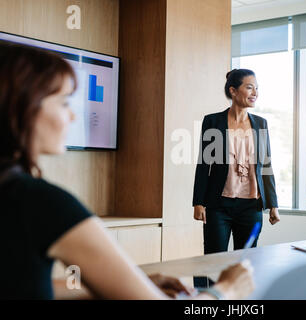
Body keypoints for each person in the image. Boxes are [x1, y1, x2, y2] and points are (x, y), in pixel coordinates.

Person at [0, 41, 254, 300]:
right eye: (64, 102)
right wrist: (224, 291)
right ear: (22, 108)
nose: (74, 117)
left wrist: (127, 284)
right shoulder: (42, 203)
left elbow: (22, 285)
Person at [193, 69, 280, 256]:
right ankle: (206, 287)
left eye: (257, 88)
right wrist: (198, 202)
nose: (255, 93)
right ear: (233, 91)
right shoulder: (213, 121)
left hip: (252, 207)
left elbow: (266, 165)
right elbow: (204, 164)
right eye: (249, 88)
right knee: (213, 260)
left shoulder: (261, 123)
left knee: (246, 259)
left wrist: (273, 204)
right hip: (218, 206)